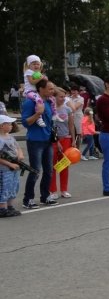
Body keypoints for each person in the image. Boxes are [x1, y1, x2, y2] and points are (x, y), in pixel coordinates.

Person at [21, 79, 57, 209]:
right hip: (35, 141)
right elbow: (25, 122)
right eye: (50, 89)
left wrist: (55, 139)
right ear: (41, 89)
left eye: (53, 89)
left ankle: (45, 196)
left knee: (49, 171)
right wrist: (38, 114)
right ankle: (28, 199)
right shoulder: (30, 103)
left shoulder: (49, 102)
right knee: (35, 171)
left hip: (47, 141)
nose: (53, 91)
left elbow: (50, 123)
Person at [48, 87, 75, 200]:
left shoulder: (67, 109)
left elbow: (71, 125)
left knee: (64, 165)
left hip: (66, 139)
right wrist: (56, 141)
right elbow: (50, 126)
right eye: (61, 96)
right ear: (54, 97)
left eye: (65, 96)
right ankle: (52, 190)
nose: (63, 99)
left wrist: (73, 139)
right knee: (53, 166)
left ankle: (64, 190)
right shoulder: (50, 109)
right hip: (53, 141)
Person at [0, 115, 24, 217]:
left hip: (14, 168)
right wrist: (10, 164)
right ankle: (2, 209)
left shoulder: (10, 137)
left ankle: (10, 206)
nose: (11, 126)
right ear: (1, 126)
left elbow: (18, 148)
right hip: (4, 169)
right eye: (8, 124)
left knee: (14, 187)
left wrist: (20, 155)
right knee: (4, 188)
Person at [22, 55, 53, 128]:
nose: (36, 66)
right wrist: (41, 77)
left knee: (51, 99)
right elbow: (32, 82)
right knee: (39, 101)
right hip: (29, 91)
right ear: (29, 65)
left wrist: (44, 78)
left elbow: (41, 81)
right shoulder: (28, 71)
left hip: (35, 92)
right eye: (34, 64)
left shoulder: (37, 73)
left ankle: (54, 114)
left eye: (38, 64)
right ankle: (39, 118)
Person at [67, 85, 85, 151]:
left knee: (78, 133)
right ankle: (70, 148)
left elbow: (75, 107)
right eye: (72, 90)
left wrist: (68, 104)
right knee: (70, 132)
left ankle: (77, 149)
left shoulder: (81, 98)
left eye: (75, 90)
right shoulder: (69, 98)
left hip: (78, 116)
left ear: (78, 91)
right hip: (70, 116)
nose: (73, 92)